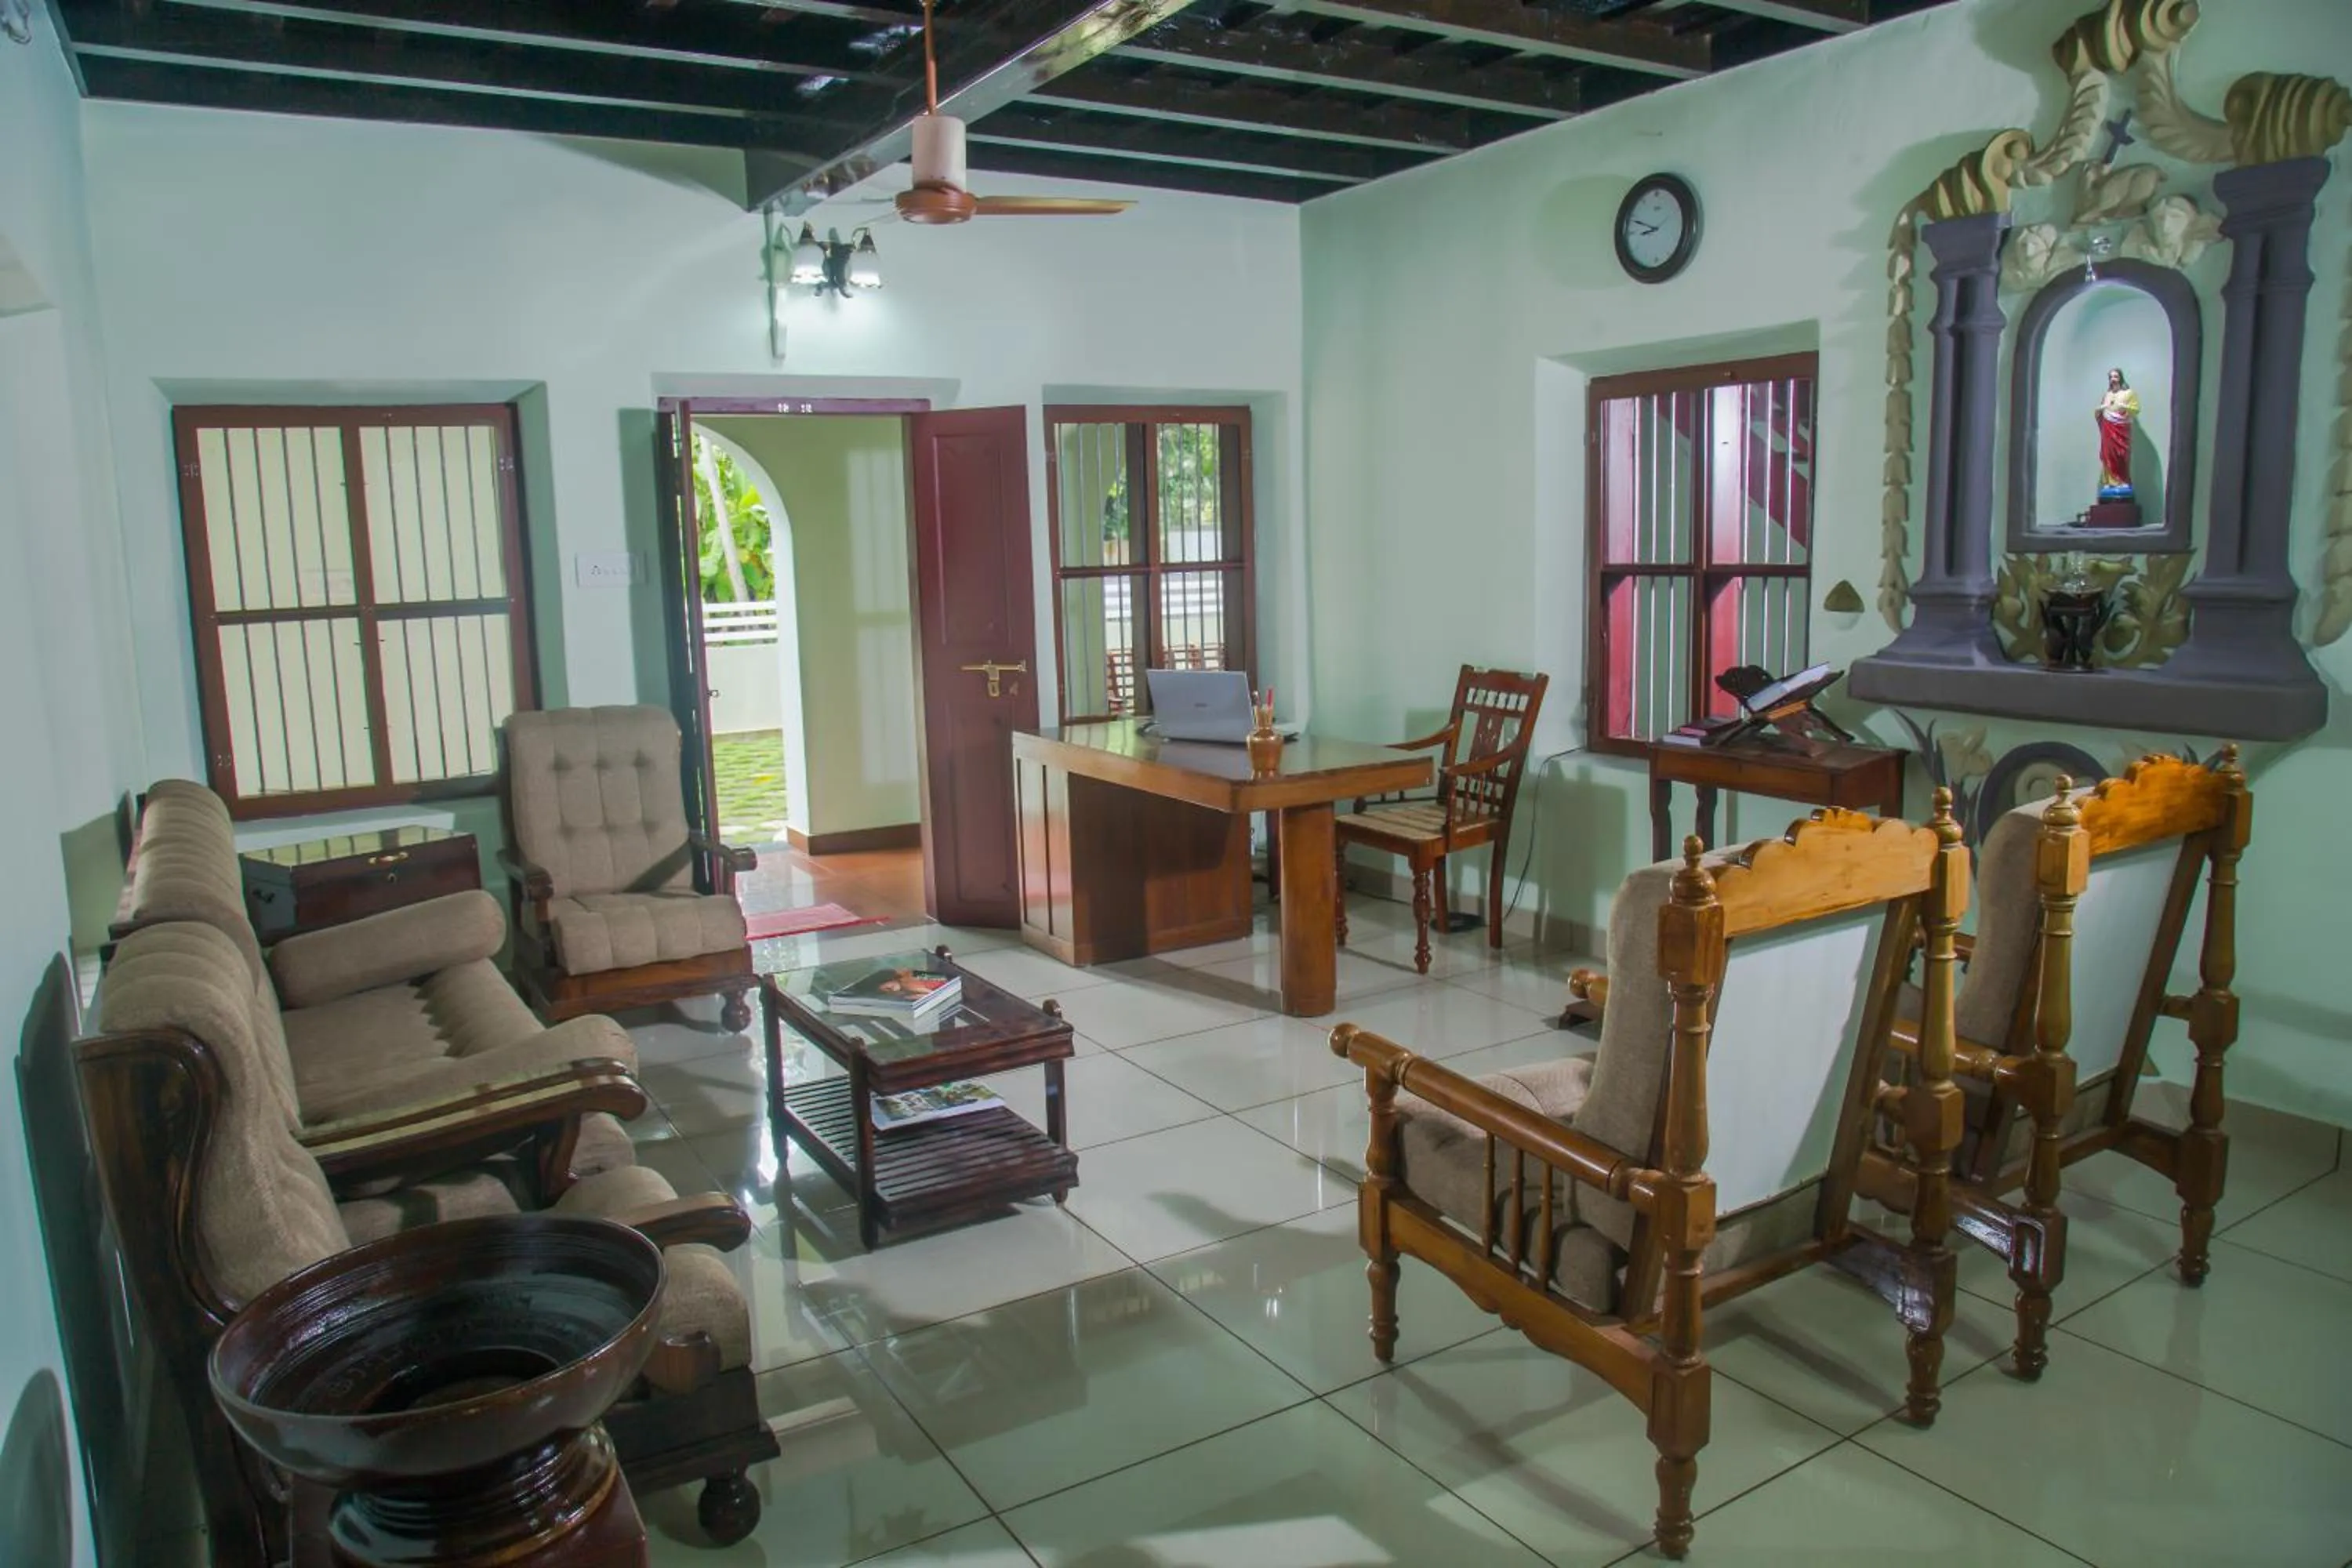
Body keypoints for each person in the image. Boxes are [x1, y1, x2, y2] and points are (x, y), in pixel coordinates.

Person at [2097, 368, 2141, 500]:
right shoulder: (2107, 395)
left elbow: (2136, 409)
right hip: (2108, 429)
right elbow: (2100, 412)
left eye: (2116, 376)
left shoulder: (2129, 393)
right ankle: (2109, 483)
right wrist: (2099, 410)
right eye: (2111, 377)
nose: (2113, 379)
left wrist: (2124, 406)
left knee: (2121, 455)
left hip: (2121, 429)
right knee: (2108, 454)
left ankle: (2122, 481)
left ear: (2121, 378)